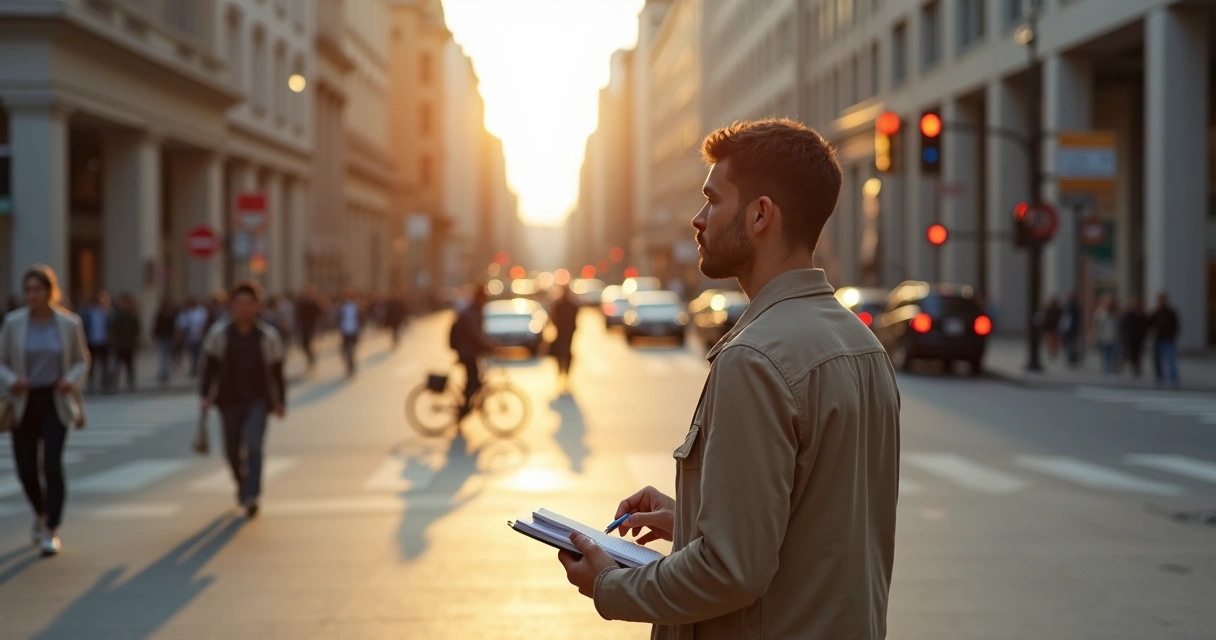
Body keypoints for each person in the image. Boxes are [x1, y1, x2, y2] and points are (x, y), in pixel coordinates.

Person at [557, 119, 900, 638]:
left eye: (713, 201)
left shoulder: (756, 357)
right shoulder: (863, 345)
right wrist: (694, 517)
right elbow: (819, 526)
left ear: (761, 215)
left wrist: (610, 583)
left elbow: (730, 572)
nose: (698, 219)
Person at [0, 265, 90, 556]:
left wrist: (70, 380)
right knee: (26, 468)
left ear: (50, 292)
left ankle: (52, 527)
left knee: (51, 463)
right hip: (23, 401)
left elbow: (81, 359)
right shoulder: (13, 323)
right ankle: (39, 513)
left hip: (55, 399)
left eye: (38, 289)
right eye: (28, 290)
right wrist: (13, 380)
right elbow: (1, 361)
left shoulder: (68, 323)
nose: (32, 295)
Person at [199, 280, 286, 518]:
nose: (245, 308)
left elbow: (277, 371)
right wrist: (204, 396)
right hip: (229, 401)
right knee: (231, 451)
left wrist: (280, 401)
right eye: (240, 303)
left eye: (250, 303)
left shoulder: (267, 336)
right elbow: (209, 367)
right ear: (232, 306)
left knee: (255, 447)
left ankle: (252, 494)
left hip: (258, 400)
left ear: (258, 306)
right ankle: (242, 484)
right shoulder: (220, 334)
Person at [449, 286, 497, 420]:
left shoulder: (475, 310)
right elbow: (476, 334)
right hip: (466, 352)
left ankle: (466, 404)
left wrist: (490, 343)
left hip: (469, 351)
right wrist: (490, 346)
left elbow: (479, 334)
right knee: (474, 381)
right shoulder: (471, 312)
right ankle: (464, 408)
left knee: (473, 380)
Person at [549, 285, 580, 390]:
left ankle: (564, 374)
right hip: (564, 333)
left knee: (565, 355)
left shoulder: (565, 304)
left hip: (566, 333)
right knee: (563, 355)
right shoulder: (562, 304)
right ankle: (563, 374)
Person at [80, 292, 113, 393]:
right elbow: (83, 328)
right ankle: (91, 385)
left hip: (104, 342)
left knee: (105, 365)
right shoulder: (88, 313)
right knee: (91, 365)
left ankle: (105, 385)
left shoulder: (106, 313)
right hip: (91, 342)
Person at [109, 293, 141, 392]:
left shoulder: (133, 315)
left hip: (129, 345)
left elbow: (137, 330)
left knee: (129, 366)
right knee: (117, 366)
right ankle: (114, 385)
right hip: (119, 345)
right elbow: (112, 329)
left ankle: (131, 384)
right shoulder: (117, 316)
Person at [1151, 292, 1181, 386]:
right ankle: (1159, 376)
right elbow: (1150, 322)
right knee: (1157, 359)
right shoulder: (1156, 311)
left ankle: (1172, 377)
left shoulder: (1170, 312)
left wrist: (1173, 335)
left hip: (1168, 339)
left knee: (1170, 359)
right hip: (1158, 338)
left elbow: (1176, 325)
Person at [178, 296, 210, 377]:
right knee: (191, 353)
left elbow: (205, 323)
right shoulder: (186, 312)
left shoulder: (201, 311)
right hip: (189, 337)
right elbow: (181, 324)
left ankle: (195, 368)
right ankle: (193, 367)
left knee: (197, 354)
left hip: (199, 337)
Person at [294, 285, 323, 369]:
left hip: (312, 327)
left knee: (308, 343)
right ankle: (311, 357)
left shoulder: (314, 304)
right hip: (303, 327)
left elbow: (320, 314)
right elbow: (298, 315)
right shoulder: (302, 304)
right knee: (304, 345)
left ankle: (311, 358)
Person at [1120, 296, 1150, 378]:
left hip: (1139, 340)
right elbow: (1124, 327)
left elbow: (1145, 327)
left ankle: (1136, 371)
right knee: (1128, 355)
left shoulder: (1142, 315)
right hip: (1129, 339)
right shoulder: (1128, 315)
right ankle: (1121, 370)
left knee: (1137, 356)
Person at [1092, 295, 1120, 375]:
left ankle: (1109, 370)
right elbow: (1095, 326)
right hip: (1103, 338)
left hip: (1113, 338)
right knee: (1105, 356)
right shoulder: (1099, 313)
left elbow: (1117, 326)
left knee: (1112, 356)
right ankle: (1106, 370)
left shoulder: (1115, 313)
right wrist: (1094, 336)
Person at [153, 298, 179, 384]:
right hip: (163, 337)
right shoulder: (160, 315)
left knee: (167, 356)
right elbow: (156, 326)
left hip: (169, 338)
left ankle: (166, 373)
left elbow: (175, 327)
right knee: (163, 356)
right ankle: (164, 373)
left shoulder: (173, 315)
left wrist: (176, 336)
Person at [1060, 291, 1083, 367]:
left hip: (1073, 328)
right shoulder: (1067, 306)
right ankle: (1070, 358)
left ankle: (1073, 358)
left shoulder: (1075, 307)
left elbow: (1077, 319)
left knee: (1072, 344)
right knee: (1069, 344)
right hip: (1068, 328)